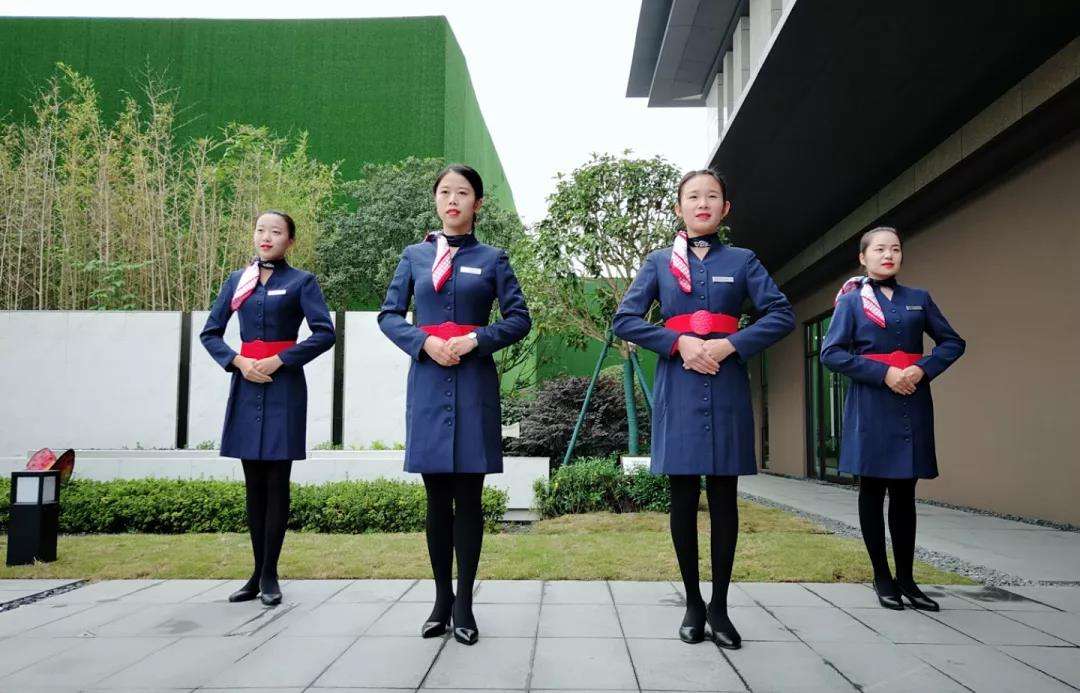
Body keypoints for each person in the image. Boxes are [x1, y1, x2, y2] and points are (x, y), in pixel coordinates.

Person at [613, 169, 795, 648]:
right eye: (693, 197)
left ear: (725, 208)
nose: (702, 204)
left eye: (712, 196)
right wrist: (678, 344)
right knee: (682, 498)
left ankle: (720, 608)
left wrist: (731, 344)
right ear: (679, 208)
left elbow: (781, 314)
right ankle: (693, 604)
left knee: (724, 499)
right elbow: (624, 319)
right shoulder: (657, 262)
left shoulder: (743, 260)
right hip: (678, 386)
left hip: (727, 384)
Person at [378, 164, 531, 645]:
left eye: (462, 193)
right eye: (445, 192)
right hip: (428, 382)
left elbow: (519, 319)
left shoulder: (493, 259)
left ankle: (464, 604)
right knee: (435, 499)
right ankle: (440, 600)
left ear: (477, 203)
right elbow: (389, 315)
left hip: (473, 384)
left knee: (469, 499)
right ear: (436, 200)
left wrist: (476, 340)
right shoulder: (414, 256)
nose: (452, 200)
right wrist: (423, 343)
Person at [820, 226, 964, 611]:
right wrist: (883, 373)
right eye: (880, 249)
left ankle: (907, 580)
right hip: (871, 402)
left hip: (911, 401)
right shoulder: (851, 302)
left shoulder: (919, 299)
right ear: (862, 257)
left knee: (905, 493)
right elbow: (831, 353)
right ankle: (881, 577)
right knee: (872, 489)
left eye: (895, 249)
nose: (888, 255)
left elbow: (953, 342)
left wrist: (922, 369)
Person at [200, 210, 335, 606]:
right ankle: (255, 573)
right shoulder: (236, 281)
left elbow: (324, 333)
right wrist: (238, 362)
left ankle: (270, 573)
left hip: (283, 387)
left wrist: (281, 360)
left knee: (277, 481)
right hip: (246, 384)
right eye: (261, 230)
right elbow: (210, 333)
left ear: (290, 241)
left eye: (276, 232)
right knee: (253, 484)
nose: (266, 237)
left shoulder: (302, 282)